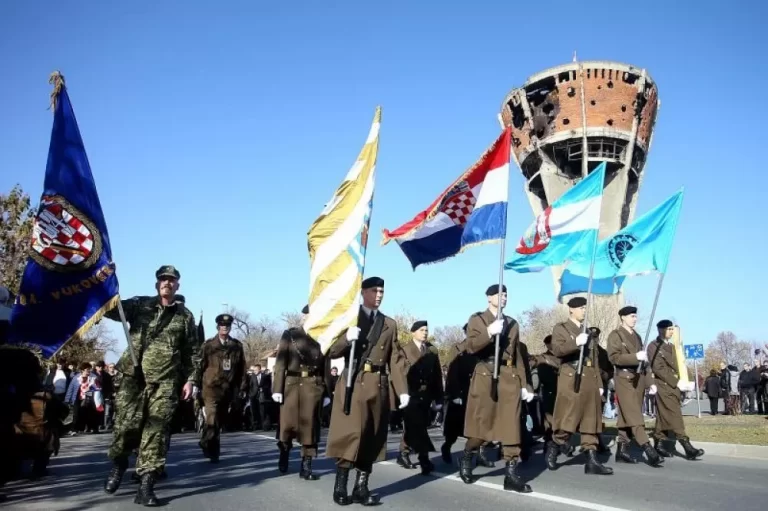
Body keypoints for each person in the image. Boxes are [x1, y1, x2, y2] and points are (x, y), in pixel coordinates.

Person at [102, 265, 201, 507]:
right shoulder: (140, 305)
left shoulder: (184, 316)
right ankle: (119, 464)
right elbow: (111, 310)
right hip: (133, 377)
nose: (167, 283)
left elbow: (193, 351)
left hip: (165, 382)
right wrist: (105, 282)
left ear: (178, 285)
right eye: (163, 280)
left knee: (155, 434)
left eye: (172, 280)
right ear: (157, 284)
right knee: (126, 427)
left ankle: (146, 486)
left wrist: (190, 380)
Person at [325, 276, 408, 506]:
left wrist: (402, 390)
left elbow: (395, 358)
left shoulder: (389, 323)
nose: (379, 295)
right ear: (363, 292)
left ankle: (361, 487)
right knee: (350, 434)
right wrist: (345, 338)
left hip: (378, 384)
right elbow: (331, 351)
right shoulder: (350, 318)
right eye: (374, 290)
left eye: (381, 291)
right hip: (354, 381)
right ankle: (340, 485)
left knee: (372, 436)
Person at [458, 284, 533, 493]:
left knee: (511, 425)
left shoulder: (512, 323)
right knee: (482, 425)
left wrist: (525, 384)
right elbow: (471, 347)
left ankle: (511, 474)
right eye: (500, 295)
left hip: (509, 377)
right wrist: (489, 332)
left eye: (506, 295)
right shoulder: (478, 320)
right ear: (489, 298)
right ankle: (468, 454)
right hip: (486, 375)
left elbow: (518, 356)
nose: (504, 298)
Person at [545, 297, 612, 475]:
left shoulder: (588, 331)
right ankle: (555, 443)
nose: (584, 310)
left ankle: (591, 461)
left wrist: (599, 383)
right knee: (569, 418)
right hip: (571, 376)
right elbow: (557, 350)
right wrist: (576, 343)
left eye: (585, 307)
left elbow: (595, 360)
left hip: (589, 377)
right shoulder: (561, 328)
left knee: (591, 419)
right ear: (571, 310)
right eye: (581, 308)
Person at [272, 304, 330, 480]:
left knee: (310, 428)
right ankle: (284, 454)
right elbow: (281, 362)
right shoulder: (290, 335)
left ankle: (306, 465)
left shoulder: (323, 335)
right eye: (309, 315)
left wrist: (327, 391)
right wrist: (277, 388)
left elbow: (325, 366)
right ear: (303, 316)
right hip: (291, 385)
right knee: (287, 425)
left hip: (313, 385)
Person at [606, 306, 663, 467]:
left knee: (628, 415)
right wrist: (634, 357)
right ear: (623, 317)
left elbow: (645, 363)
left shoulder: (637, 336)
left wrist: (650, 382)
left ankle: (622, 450)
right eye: (631, 316)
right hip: (623, 378)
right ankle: (647, 447)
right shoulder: (615, 335)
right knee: (634, 415)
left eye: (635, 316)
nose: (635, 319)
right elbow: (614, 357)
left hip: (638, 378)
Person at [647, 319, 704, 460]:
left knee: (663, 415)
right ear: (660, 330)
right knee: (675, 415)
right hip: (664, 386)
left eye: (672, 329)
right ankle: (687, 446)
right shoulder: (653, 346)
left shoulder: (673, 347)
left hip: (675, 386)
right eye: (668, 329)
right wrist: (676, 381)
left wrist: (689, 380)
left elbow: (682, 363)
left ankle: (659, 444)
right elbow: (658, 368)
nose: (671, 332)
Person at [396, 320, 444, 475]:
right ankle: (424, 459)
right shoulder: (404, 350)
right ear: (413, 332)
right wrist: (401, 393)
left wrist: (439, 398)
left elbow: (437, 376)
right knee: (417, 425)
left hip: (426, 395)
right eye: (422, 330)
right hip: (410, 394)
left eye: (426, 330)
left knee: (418, 425)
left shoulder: (431, 350)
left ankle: (403, 452)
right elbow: (399, 373)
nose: (425, 332)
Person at [198, 313, 246, 462]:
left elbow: (241, 369)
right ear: (218, 327)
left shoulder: (236, 346)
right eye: (222, 326)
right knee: (212, 417)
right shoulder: (208, 345)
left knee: (219, 420)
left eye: (227, 326)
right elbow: (200, 366)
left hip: (228, 389)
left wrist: (242, 387)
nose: (225, 328)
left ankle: (207, 441)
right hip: (211, 388)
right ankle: (213, 450)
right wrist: (196, 386)